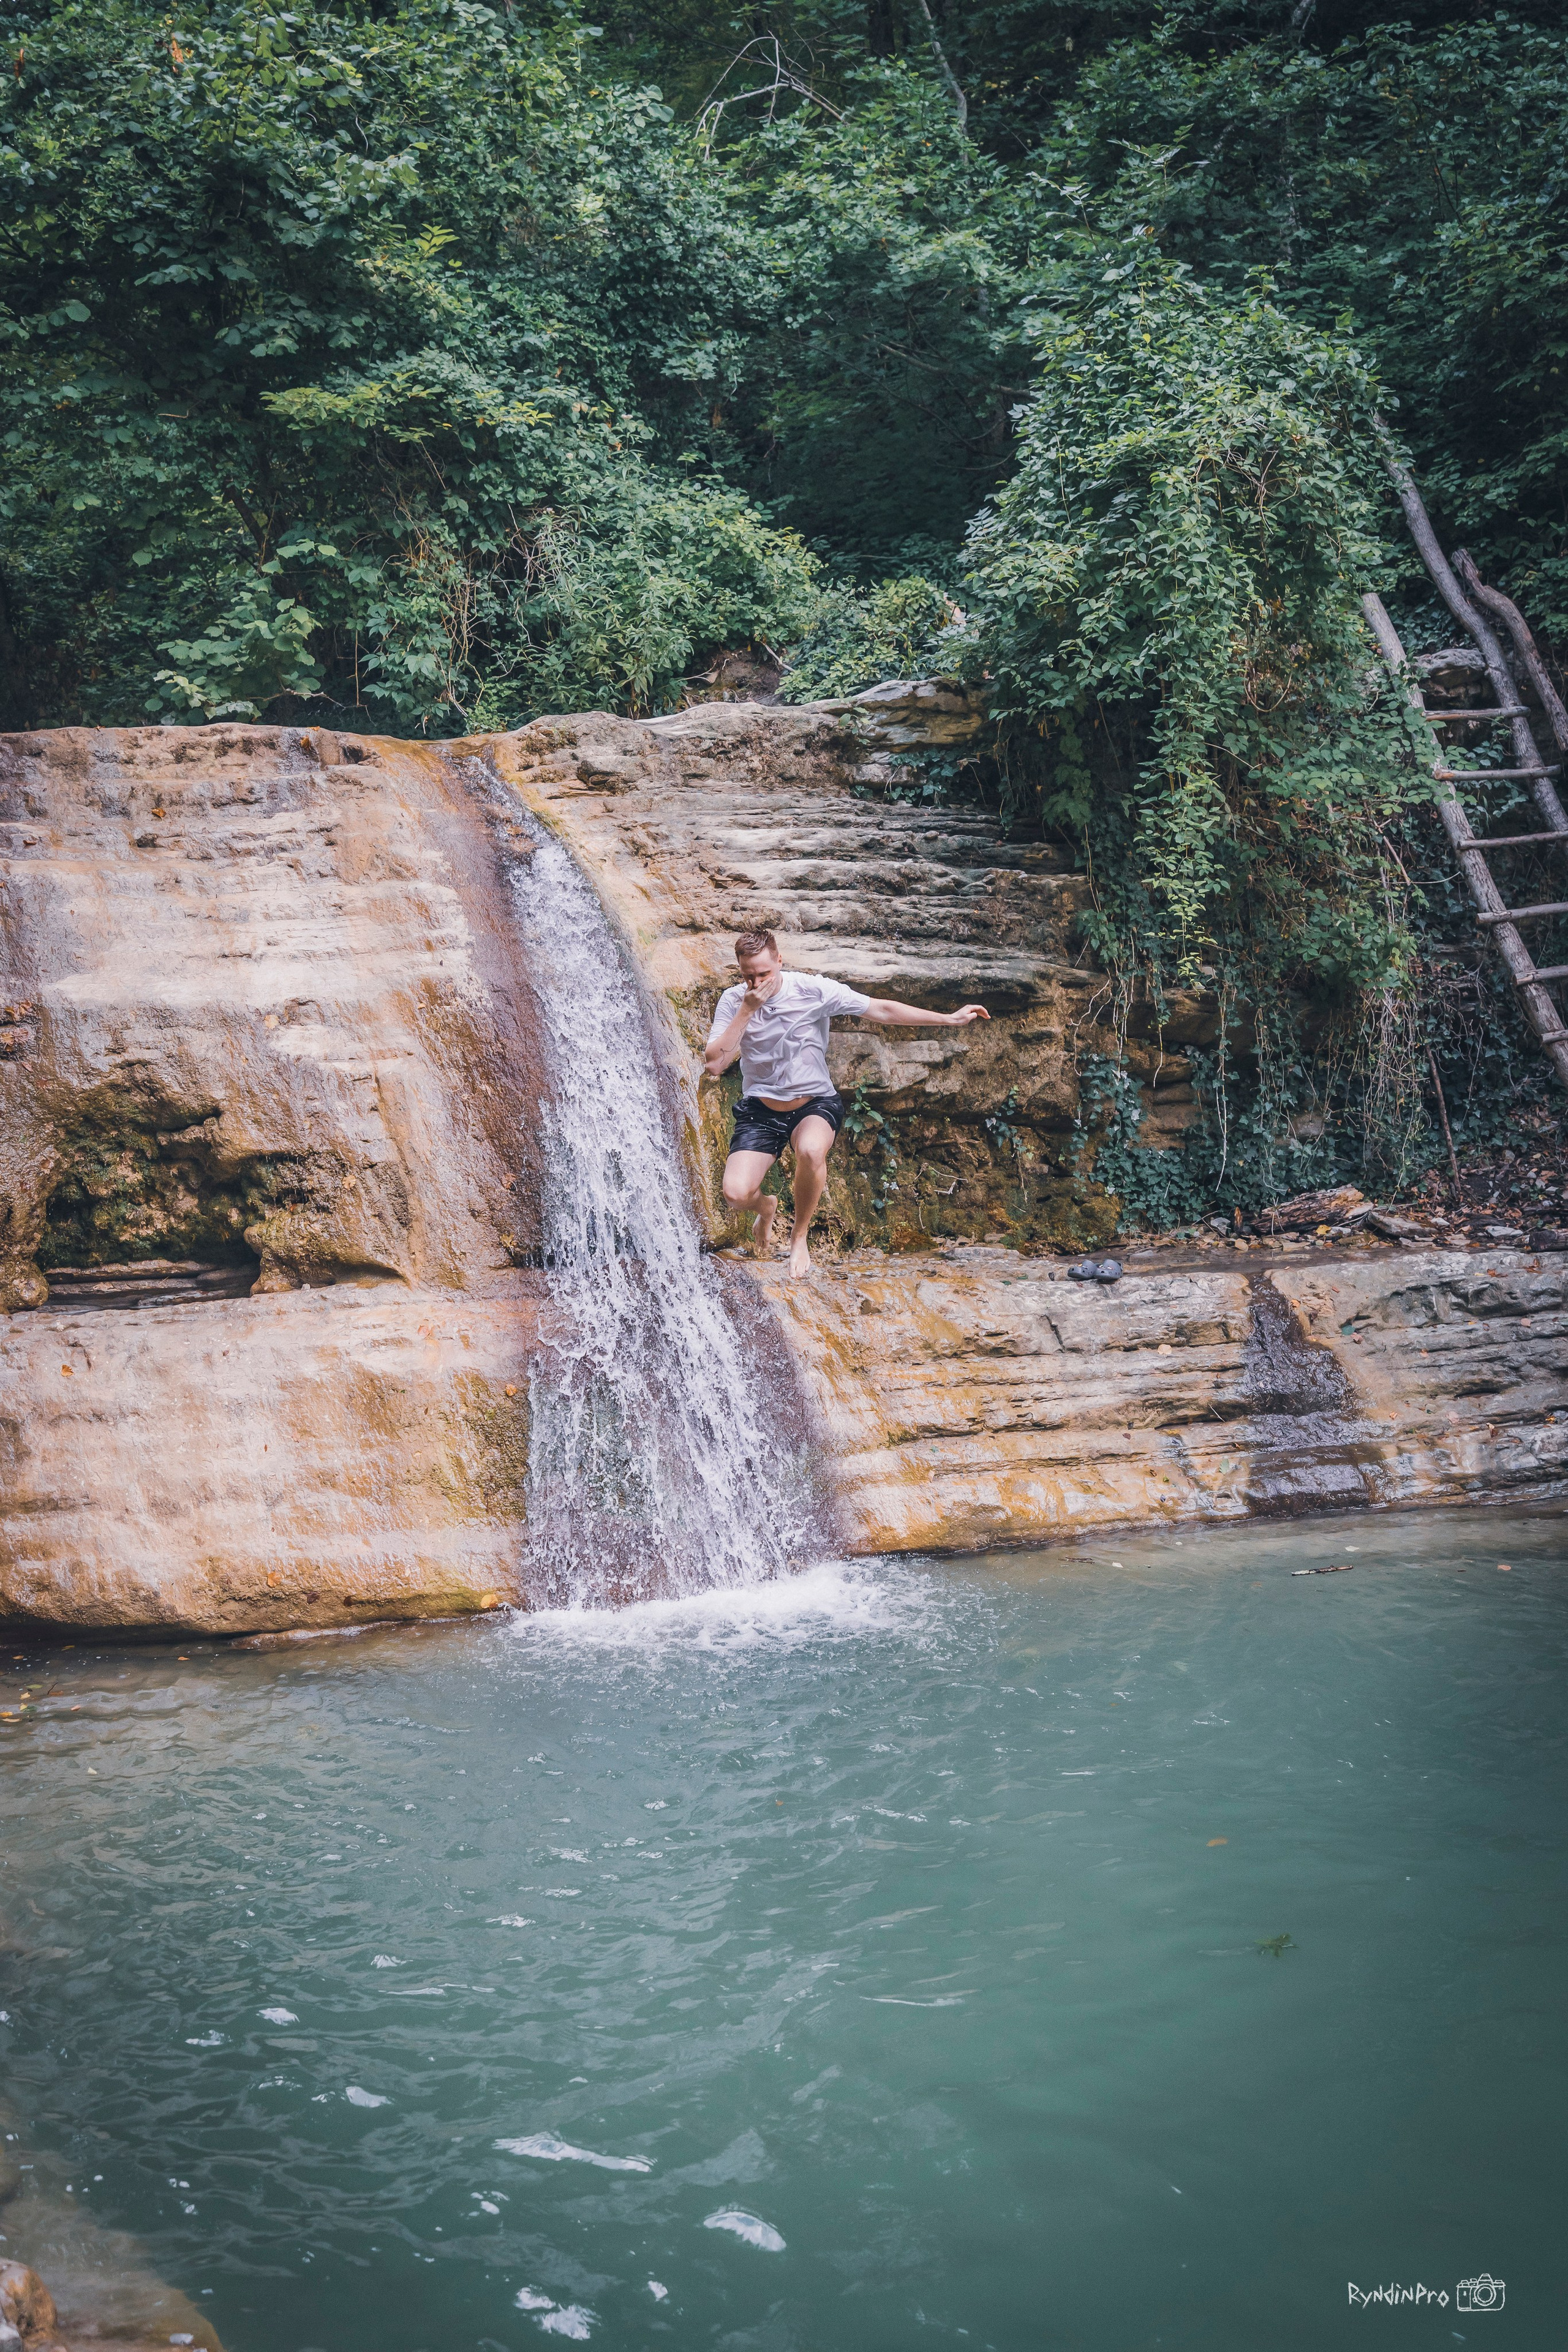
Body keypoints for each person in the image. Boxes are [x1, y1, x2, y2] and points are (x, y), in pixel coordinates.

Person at [704, 929, 990, 1277]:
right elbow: (716, 1063)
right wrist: (747, 1010)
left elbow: (881, 1010)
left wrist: (948, 1018)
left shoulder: (813, 990)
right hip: (761, 1109)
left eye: (764, 974)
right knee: (735, 1194)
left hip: (814, 1103)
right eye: (749, 976)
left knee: (810, 1150)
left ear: (780, 961)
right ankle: (767, 1208)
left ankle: (799, 1235)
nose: (757, 982)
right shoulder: (735, 1001)